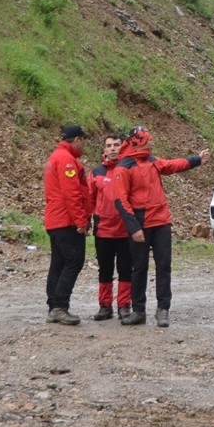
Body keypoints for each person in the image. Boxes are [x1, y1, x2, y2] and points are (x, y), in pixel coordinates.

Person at [112, 127, 211, 327]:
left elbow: (172, 165)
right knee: (139, 268)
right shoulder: (124, 167)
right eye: (148, 140)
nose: (151, 143)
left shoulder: (151, 160)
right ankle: (139, 310)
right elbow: (120, 201)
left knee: (163, 266)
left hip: (161, 223)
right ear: (139, 142)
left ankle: (163, 309)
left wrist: (196, 160)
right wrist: (134, 228)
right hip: (141, 225)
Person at [43, 124, 91, 325]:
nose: (84, 145)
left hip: (55, 219)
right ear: (78, 139)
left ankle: (54, 306)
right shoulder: (67, 161)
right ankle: (60, 307)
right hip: (66, 220)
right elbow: (71, 194)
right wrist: (81, 221)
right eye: (84, 141)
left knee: (59, 263)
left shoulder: (55, 157)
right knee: (73, 261)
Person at [89, 133, 133, 320]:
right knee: (104, 268)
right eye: (109, 145)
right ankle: (105, 306)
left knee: (125, 268)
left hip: (125, 229)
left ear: (122, 148)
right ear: (104, 150)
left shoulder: (129, 169)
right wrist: (84, 221)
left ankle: (124, 305)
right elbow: (89, 199)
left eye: (116, 145)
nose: (113, 148)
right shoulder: (96, 172)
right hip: (103, 229)